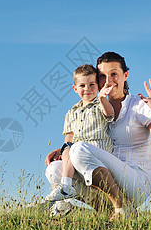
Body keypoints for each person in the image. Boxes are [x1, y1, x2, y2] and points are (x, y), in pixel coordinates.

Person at [45, 52, 151, 219]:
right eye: (102, 76)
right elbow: (90, 140)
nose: (108, 80)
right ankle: (113, 213)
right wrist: (64, 150)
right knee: (55, 170)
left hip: (135, 182)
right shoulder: (95, 108)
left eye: (114, 74)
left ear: (125, 75)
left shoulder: (138, 105)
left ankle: (123, 207)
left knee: (78, 150)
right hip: (107, 179)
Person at [44, 64, 115, 202]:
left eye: (91, 84)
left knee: (75, 148)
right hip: (75, 154)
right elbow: (69, 138)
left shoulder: (101, 104)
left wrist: (102, 98)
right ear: (75, 88)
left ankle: (66, 187)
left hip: (96, 153)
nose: (87, 89)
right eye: (82, 85)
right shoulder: (71, 112)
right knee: (64, 153)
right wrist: (64, 154)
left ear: (98, 87)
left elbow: (109, 114)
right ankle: (64, 194)